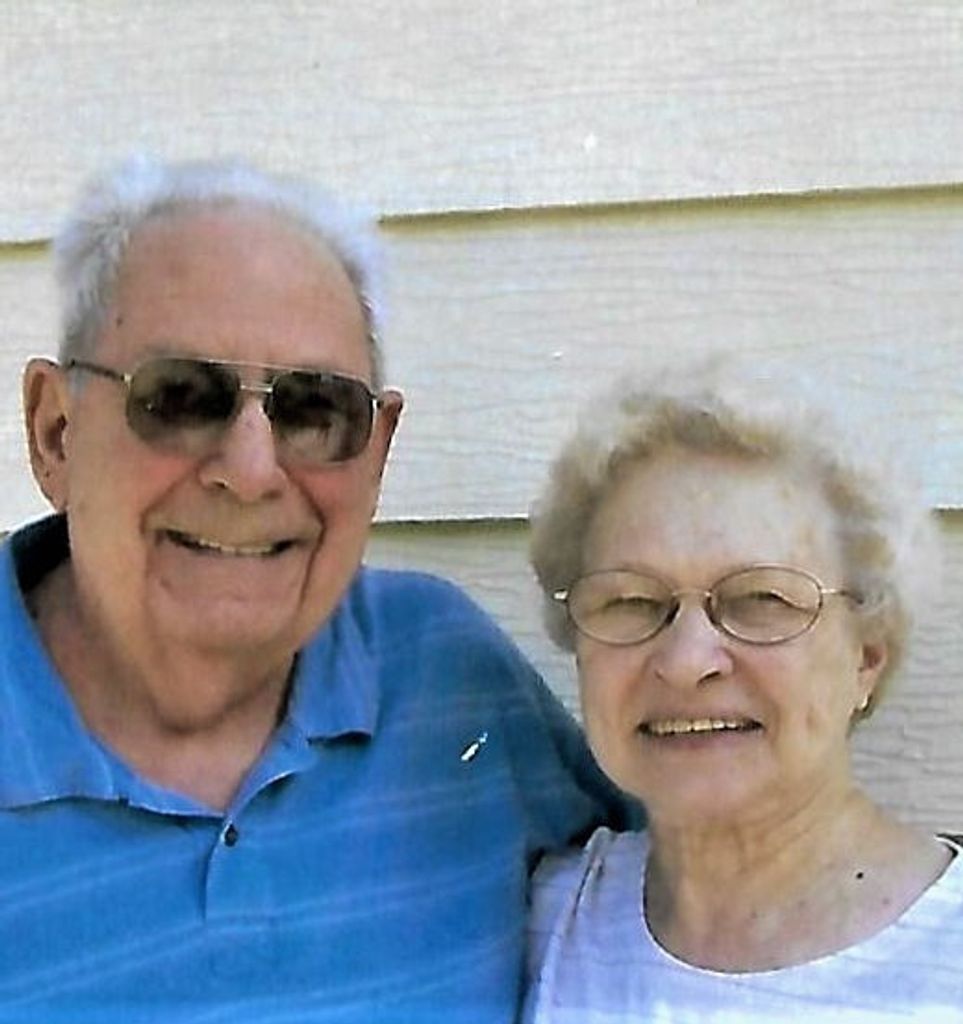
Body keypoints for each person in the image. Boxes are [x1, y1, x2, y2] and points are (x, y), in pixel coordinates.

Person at [0, 156, 630, 1023]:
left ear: (379, 450)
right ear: (56, 433)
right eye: (179, 397)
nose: (251, 470)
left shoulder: (450, 682)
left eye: (312, 409)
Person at [524, 360, 963, 1022]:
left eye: (761, 599)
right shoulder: (551, 920)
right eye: (631, 601)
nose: (686, 661)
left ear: (866, 658)